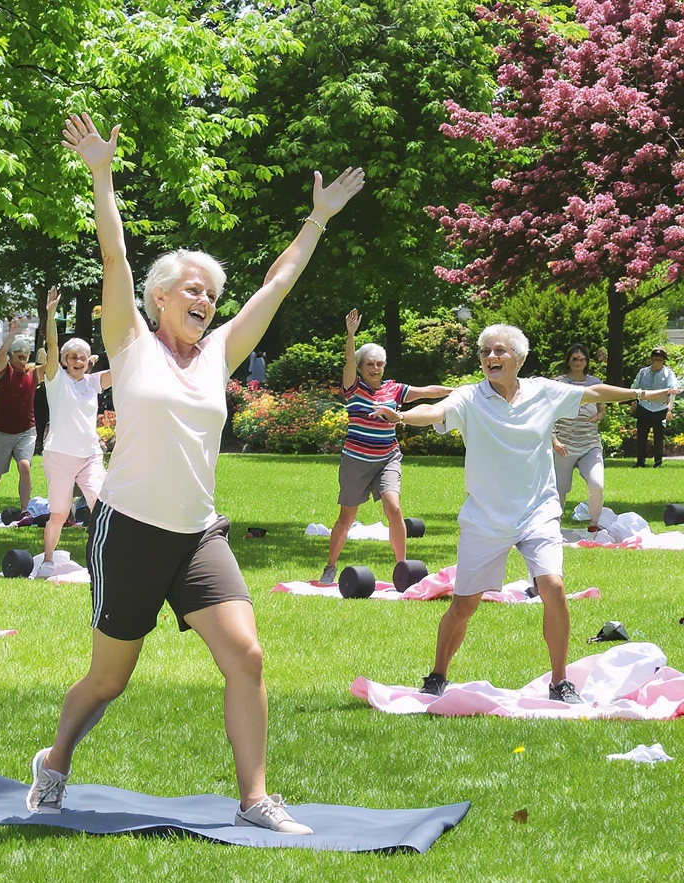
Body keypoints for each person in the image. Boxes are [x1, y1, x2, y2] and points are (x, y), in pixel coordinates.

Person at [25, 112, 364, 834]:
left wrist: (317, 221)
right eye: (190, 288)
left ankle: (255, 798)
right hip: (129, 533)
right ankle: (54, 763)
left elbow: (277, 284)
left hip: (198, 536)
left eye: (210, 291)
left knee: (247, 653)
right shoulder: (131, 340)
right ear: (158, 299)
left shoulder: (219, 355)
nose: (204, 299)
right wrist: (100, 172)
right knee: (110, 678)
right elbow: (114, 258)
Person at [373, 324, 676, 703]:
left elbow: (592, 393)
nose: (490, 357)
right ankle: (437, 675)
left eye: (499, 351)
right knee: (464, 604)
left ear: (519, 357)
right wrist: (401, 418)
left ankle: (560, 682)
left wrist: (643, 393)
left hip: (539, 511)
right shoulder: (470, 397)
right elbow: (435, 409)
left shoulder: (543, 391)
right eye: (485, 352)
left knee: (554, 588)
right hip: (486, 516)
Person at [317, 309, 451, 585]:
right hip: (356, 461)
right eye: (369, 364)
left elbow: (427, 391)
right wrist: (351, 335)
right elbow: (347, 361)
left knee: (394, 508)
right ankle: (330, 566)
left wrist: (461, 390)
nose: (375, 368)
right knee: (347, 516)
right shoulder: (353, 388)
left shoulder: (395, 389)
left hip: (387, 458)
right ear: (361, 366)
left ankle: (403, 568)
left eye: (379, 364)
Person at [38, 285, 112, 580]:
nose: (78, 360)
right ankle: (47, 562)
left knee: (103, 506)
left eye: (83, 356)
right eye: (73, 357)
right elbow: (53, 346)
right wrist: (51, 313)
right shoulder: (57, 381)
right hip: (59, 456)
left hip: (90, 456)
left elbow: (122, 365)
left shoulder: (93, 382)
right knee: (59, 514)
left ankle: (108, 559)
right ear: (65, 361)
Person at [0, 317, 43, 519]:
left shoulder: (33, 374)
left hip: (26, 430)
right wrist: (12, 332)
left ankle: (25, 511)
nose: (23, 361)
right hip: (1, 431)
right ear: (11, 356)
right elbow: (0, 355)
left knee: (25, 466)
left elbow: (55, 366)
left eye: (26, 357)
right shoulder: (2, 372)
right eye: (18, 357)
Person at [551, 344, 605, 531]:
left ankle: (594, 525)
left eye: (582, 359)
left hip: (590, 444)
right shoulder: (558, 383)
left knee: (597, 483)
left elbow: (602, 407)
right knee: (559, 490)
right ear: (568, 361)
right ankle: (553, 527)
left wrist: (598, 416)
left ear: (586, 362)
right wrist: (554, 440)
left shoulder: (595, 382)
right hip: (564, 445)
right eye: (574, 358)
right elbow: (546, 414)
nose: (578, 362)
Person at [631, 346, 677, 468]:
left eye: (659, 358)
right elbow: (635, 388)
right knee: (641, 436)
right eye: (655, 358)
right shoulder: (643, 372)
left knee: (659, 437)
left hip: (660, 408)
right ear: (651, 359)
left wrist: (669, 409)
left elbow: (672, 391)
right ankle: (640, 461)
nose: (656, 360)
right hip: (644, 407)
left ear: (663, 360)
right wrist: (634, 403)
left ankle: (658, 462)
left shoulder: (668, 373)